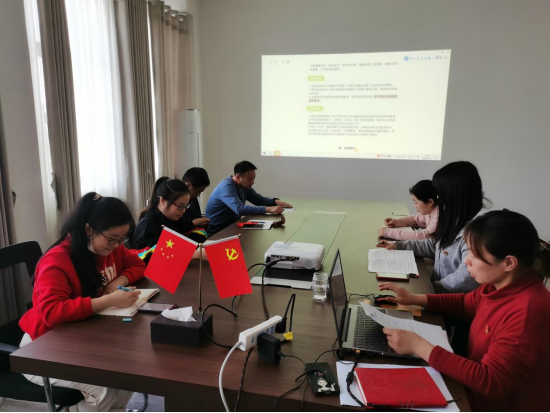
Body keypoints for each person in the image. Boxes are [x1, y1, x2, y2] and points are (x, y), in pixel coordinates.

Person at [379, 210, 550, 412]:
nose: (466, 261)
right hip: (471, 389)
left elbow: (491, 380)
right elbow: (465, 303)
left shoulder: (528, 312)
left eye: (475, 255)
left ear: (509, 263)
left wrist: (419, 347)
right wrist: (415, 299)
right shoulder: (498, 285)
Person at [19, 193, 146, 412]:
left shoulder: (110, 247)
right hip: (43, 346)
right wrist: (106, 301)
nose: (118, 245)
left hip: (82, 337)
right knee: (106, 390)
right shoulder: (57, 260)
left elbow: (137, 264)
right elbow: (52, 312)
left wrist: (119, 281)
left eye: (122, 239)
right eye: (112, 238)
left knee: (127, 377)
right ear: (89, 230)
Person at [378, 161, 486, 294]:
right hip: (437, 288)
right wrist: (399, 246)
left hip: (448, 299)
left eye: (440, 195)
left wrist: (427, 290)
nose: (438, 200)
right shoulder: (454, 218)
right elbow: (435, 245)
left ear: (454, 195)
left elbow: (464, 279)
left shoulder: (477, 233)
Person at [205, 161, 293, 236]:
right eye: (250, 179)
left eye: (253, 178)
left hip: (231, 227)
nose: (252, 182)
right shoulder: (226, 187)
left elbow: (257, 199)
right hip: (217, 231)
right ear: (238, 177)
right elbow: (240, 209)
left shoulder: (243, 186)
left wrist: (275, 201)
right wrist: (269, 209)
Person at [132, 177, 207, 254]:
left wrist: (190, 247)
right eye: (180, 206)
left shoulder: (174, 218)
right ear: (163, 201)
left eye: (186, 206)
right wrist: (192, 253)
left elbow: (199, 230)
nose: (183, 211)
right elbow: (148, 256)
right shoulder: (147, 225)